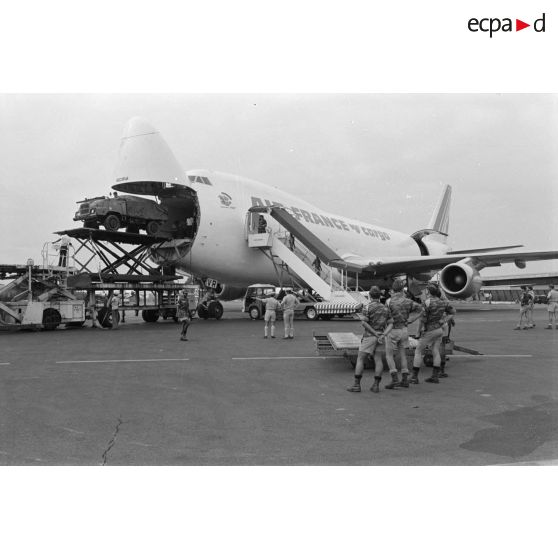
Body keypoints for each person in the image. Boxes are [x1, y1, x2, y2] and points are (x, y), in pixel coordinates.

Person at [347, 286, 393, 393]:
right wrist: (383, 334)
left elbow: (364, 322)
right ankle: (376, 385)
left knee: (360, 359)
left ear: (370, 296)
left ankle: (356, 385)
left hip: (369, 336)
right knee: (378, 359)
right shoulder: (386, 308)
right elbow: (391, 323)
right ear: (379, 296)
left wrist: (374, 333)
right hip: (381, 336)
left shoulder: (367, 307)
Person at [410, 283, 455, 384]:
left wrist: (418, 332)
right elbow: (453, 312)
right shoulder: (443, 302)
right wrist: (443, 320)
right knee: (435, 351)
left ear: (429, 292)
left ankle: (414, 377)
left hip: (429, 330)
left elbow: (423, 319)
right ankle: (435, 376)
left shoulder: (427, 302)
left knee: (418, 351)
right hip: (439, 330)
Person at [384, 279, 423, 389]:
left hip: (392, 330)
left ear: (393, 289)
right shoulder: (408, 301)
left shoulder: (388, 301)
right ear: (402, 289)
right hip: (404, 329)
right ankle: (405, 379)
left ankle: (394, 378)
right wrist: (412, 319)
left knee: (389, 355)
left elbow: (385, 316)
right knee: (403, 354)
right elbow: (421, 309)